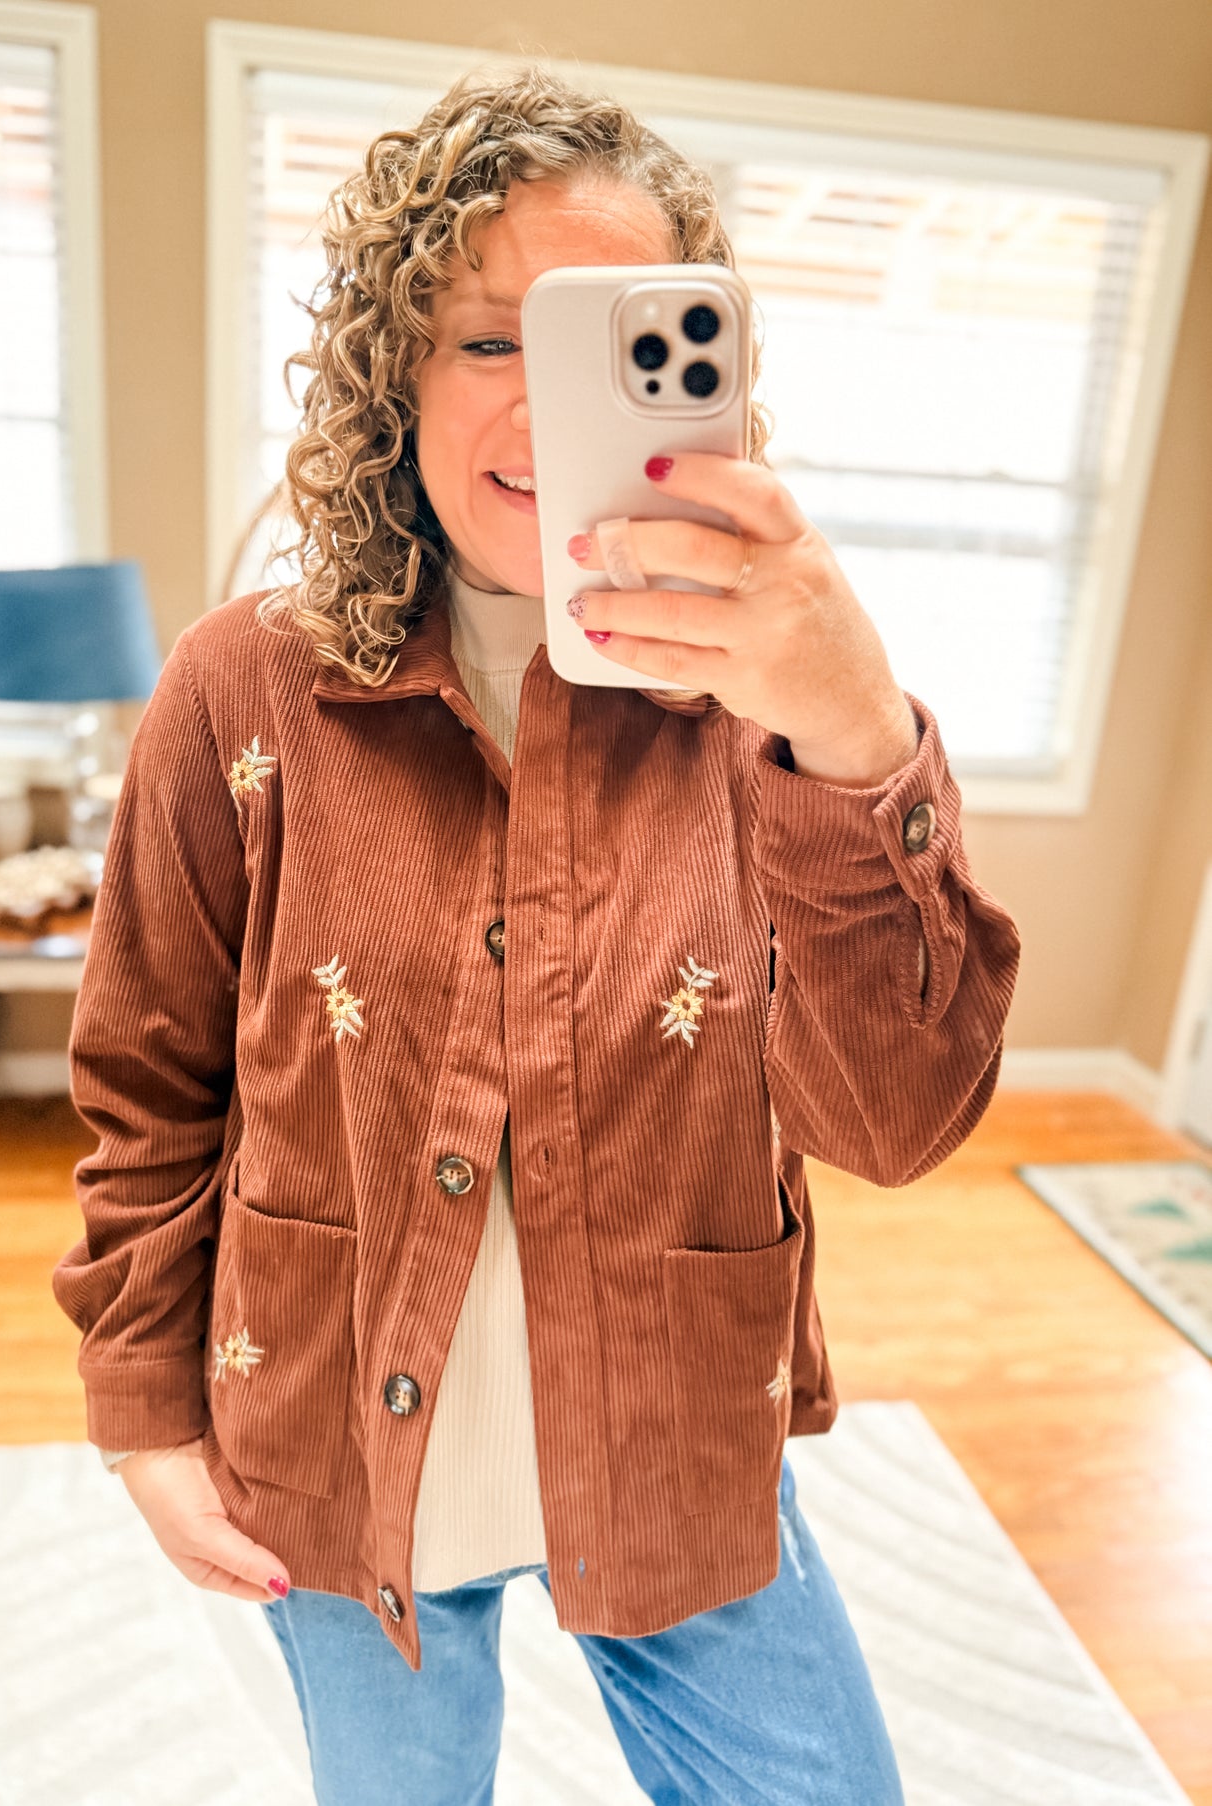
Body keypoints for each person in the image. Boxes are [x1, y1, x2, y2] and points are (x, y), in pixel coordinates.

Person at [52, 63, 1019, 1806]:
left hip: (669, 1431)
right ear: (390, 375)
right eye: (488, 339)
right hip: (336, 1444)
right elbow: (148, 1071)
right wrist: (143, 1400)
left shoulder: (773, 703)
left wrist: (854, 731)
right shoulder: (239, 689)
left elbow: (895, 1118)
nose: (537, 404)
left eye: (603, 347)